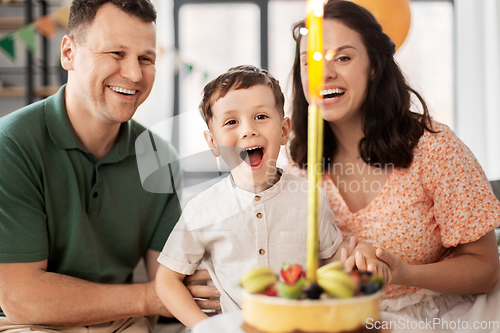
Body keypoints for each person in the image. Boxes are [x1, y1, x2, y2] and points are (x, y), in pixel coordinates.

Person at [0, 1, 219, 332]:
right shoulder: (12, 144)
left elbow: (173, 281)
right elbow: (20, 299)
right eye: (116, 53)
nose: (134, 74)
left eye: (146, 59)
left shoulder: (160, 157)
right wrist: (149, 297)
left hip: (122, 322)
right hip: (26, 325)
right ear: (69, 53)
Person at [288, 0, 500, 329]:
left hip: (439, 318)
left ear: (374, 66)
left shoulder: (433, 147)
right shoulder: (295, 165)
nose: (324, 73)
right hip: (345, 320)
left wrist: (403, 272)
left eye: (342, 57)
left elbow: (486, 269)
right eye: (310, 61)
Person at [155, 65, 389, 330]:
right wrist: (205, 327)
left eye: (261, 116)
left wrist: (359, 254)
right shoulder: (202, 209)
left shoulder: (310, 197)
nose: (248, 130)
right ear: (213, 144)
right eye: (231, 122)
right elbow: (166, 279)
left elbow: (329, 261)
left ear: (284, 130)